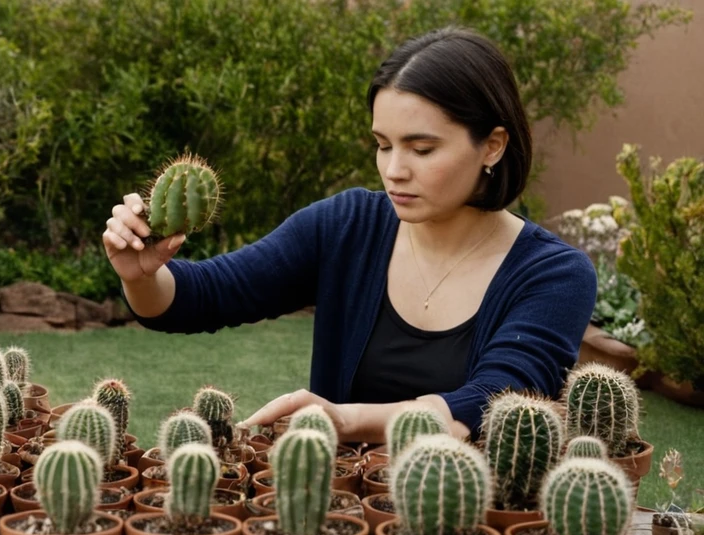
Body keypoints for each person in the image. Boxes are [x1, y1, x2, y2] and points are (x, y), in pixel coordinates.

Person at [100, 26, 596, 445]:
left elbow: (493, 403)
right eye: (383, 145)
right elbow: (205, 296)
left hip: (463, 531)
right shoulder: (347, 225)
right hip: (332, 514)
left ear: (492, 145)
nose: (394, 170)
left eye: (421, 149)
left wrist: (345, 418)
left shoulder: (554, 276)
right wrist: (144, 275)